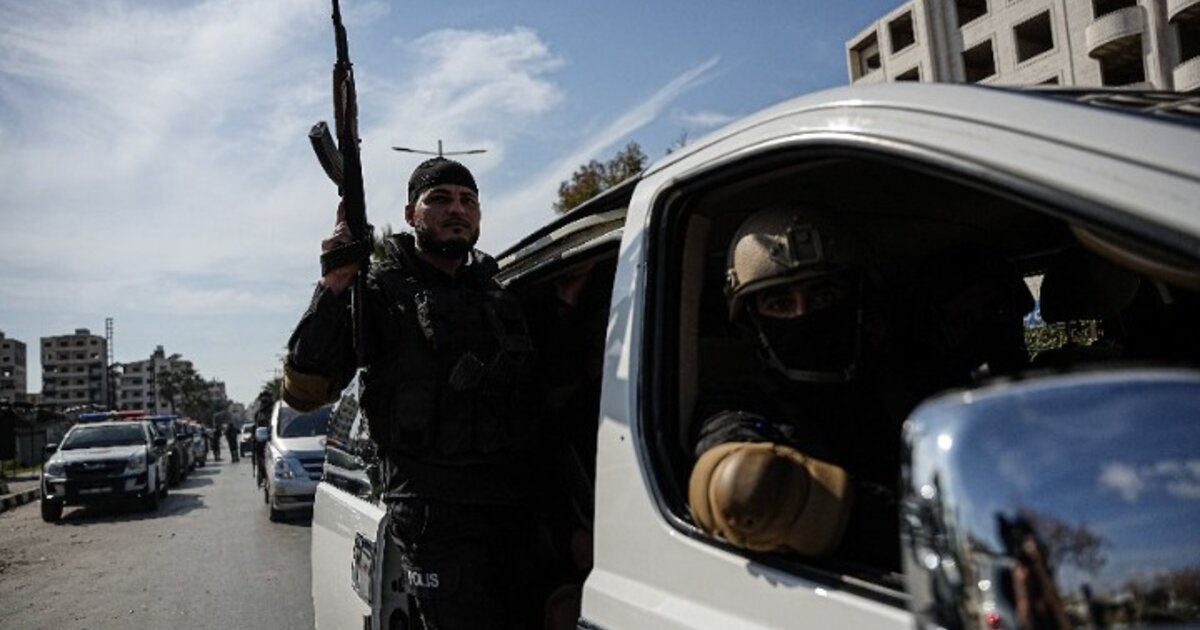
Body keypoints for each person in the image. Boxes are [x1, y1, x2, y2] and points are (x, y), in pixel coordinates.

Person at [688, 205, 1029, 572]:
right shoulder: (740, 402)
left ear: (857, 301)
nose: (804, 315)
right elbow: (738, 481)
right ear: (754, 323)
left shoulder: (911, 379)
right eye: (780, 303)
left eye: (822, 297)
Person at [282, 157, 544, 629]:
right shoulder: (379, 294)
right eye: (439, 199)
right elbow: (304, 390)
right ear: (410, 215)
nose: (456, 210)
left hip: (513, 511)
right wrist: (335, 282)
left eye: (467, 201)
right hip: (433, 521)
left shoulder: (500, 296)